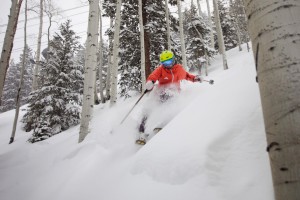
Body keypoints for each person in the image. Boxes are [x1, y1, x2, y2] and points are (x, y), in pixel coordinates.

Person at [136, 50, 203, 145]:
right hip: (160, 92)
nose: (168, 65)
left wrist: (195, 78)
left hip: (173, 93)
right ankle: (141, 130)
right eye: (165, 63)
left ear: (173, 60)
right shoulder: (161, 69)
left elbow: (187, 76)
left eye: (169, 62)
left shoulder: (179, 69)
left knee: (171, 98)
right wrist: (150, 82)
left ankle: (163, 123)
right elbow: (153, 76)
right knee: (149, 107)